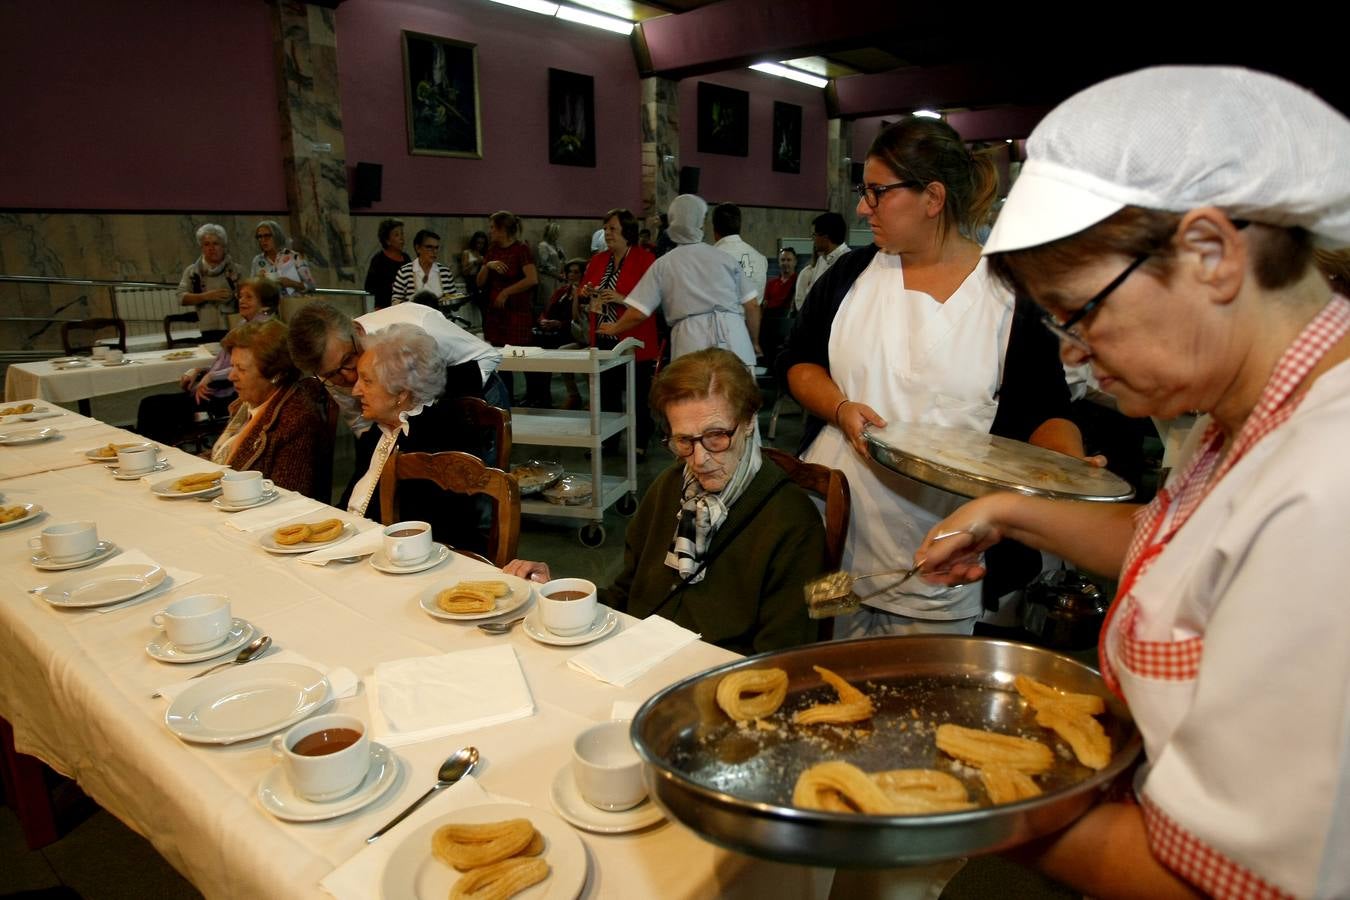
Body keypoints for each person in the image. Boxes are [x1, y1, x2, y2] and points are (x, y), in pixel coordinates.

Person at [913, 67, 1350, 899]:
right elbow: (1185, 552)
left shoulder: (1329, 491)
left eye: (1080, 316)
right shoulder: (1250, 412)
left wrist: (946, 803)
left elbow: (1220, 882)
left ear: (1213, 256)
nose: (1075, 360)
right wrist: (1011, 510)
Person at [779, 116, 1085, 639]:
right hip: (836, 527)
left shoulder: (1008, 295)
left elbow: (1044, 411)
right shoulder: (851, 276)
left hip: (941, 543)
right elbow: (799, 362)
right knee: (825, 679)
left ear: (932, 197)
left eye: (876, 192)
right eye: (863, 191)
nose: (862, 207)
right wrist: (838, 407)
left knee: (915, 698)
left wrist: (1074, 471)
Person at [505, 348, 826, 654]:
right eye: (684, 440)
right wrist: (559, 595)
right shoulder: (669, 487)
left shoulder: (793, 520)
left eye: (716, 436)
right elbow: (626, 596)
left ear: (749, 422)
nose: (699, 460)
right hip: (639, 658)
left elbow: (781, 655)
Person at [340, 323, 486, 554]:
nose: (356, 390)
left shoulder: (440, 440)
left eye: (367, 381)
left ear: (401, 393)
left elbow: (431, 533)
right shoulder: (377, 433)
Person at [287, 300, 506, 437]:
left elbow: (488, 357)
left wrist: (425, 402)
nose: (349, 377)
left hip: (475, 390)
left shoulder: (416, 326)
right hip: (415, 418)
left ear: (356, 330)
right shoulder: (330, 370)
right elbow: (361, 422)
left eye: (348, 360)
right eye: (332, 374)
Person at [600, 194, 756, 367]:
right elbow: (752, 306)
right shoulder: (724, 258)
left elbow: (638, 311)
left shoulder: (664, 264)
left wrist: (615, 328)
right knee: (739, 392)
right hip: (735, 338)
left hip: (691, 340)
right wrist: (754, 341)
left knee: (695, 390)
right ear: (701, 223)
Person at [135, 277, 280, 446]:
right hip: (217, 387)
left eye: (248, 297)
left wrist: (211, 377)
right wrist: (200, 371)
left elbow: (248, 368)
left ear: (265, 304)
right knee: (153, 405)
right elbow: (226, 363)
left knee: (153, 407)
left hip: (229, 393)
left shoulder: (264, 330)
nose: (241, 301)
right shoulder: (244, 324)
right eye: (240, 296)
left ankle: (153, 454)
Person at [209, 319, 332, 501]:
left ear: (275, 374)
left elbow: (287, 496)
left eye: (241, 369)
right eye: (232, 366)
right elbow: (227, 454)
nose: (231, 376)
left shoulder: (296, 418)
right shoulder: (247, 406)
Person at [581, 208, 660, 453]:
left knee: (637, 394)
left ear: (627, 231)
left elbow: (652, 299)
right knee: (607, 393)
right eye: (605, 229)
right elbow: (585, 287)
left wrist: (621, 297)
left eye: (612, 229)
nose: (607, 234)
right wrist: (586, 292)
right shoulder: (598, 260)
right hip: (603, 334)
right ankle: (609, 440)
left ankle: (639, 443)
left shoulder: (645, 259)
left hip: (633, 337)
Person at [477, 211, 538, 401]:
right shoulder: (492, 250)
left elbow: (532, 279)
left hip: (516, 313)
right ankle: (506, 400)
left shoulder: (521, 250)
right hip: (496, 315)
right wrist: (487, 266)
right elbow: (479, 282)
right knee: (500, 359)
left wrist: (506, 292)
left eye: (493, 227)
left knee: (522, 356)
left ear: (503, 229)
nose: (490, 231)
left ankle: (534, 396)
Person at [524, 257, 586, 409]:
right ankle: (538, 395)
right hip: (553, 333)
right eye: (570, 272)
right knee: (534, 349)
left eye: (576, 272)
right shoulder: (562, 291)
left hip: (572, 334)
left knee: (560, 351)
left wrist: (560, 324)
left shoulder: (585, 293)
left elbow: (580, 320)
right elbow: (547, 310)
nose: (572, 275)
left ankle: (575, 396)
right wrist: (543, 321)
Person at [712, 202, 767, 357]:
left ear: (714, 228)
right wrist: (755, 341)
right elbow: (755, 305)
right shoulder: (760, 258)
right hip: (747, 335)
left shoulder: (708, 256)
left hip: (717, 336)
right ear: (739, 225)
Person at [176, 223, 241, 342]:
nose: (211, 248)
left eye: (216, 243)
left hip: (234, 325)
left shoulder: (237, 270)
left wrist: (237, 295)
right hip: (208, 329)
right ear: (202, 247)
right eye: (207, 244)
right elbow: (180, 298)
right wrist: (206, 296)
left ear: (223, 246)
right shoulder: (192, 271)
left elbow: (252, 295)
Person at [794, 211, 849, 311]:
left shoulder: (848, 260)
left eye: (814, 235)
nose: (812, 239)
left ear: (825, 237)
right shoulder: (821, 260)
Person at [250, 219, 315, 296]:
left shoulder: (294, 256)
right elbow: (251, 287)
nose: (263, 240)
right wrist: (258, 281)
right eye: (259, 237)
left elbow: (311, 286)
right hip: (269, 305)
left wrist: (292, 283)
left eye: (267, 236)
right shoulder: (257, 260)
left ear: (276, 235)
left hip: (292, 304)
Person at [391, 229, 454, 306]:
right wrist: (411, 305)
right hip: (414, 316)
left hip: (440, 316)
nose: (434, 251)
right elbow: (395, 302)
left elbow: (454, 301)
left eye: (436, 248)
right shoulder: (404, 272)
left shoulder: (445, 272)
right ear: (418, 248)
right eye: (429, 247)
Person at [364, 218, 411, 310]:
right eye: (397, 235)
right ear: (387, 240)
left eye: (402, 234)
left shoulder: (406, 258)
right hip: (384, 308)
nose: (402, 238)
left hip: (404, 307)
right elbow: (369, 286)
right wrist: (391, 286)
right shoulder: (378, 260)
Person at [761, 247, 798, 363]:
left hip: (788, 326)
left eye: (788, 260)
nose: (785, 263)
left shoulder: (799, 281)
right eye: (782, 260)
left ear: (795, 262)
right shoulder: (771, 284)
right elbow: (765, 305)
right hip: (770, 327)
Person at [535, 222, 564, 308]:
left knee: (557, 304)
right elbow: (543, 265)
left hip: (558, 280)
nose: (557, 235)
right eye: (555, 232)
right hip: (548, 280)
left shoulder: (557, 246)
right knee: (548, 303)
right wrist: (556, 274)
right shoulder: (543, 246)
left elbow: (562, 259)